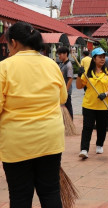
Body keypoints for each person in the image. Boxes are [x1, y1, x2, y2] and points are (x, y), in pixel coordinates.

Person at [0, 22, 67, 207]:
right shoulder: (52, 65)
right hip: (50, 139)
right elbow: (62, 97)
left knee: (20, 195)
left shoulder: (4, 68)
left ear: (13, 43)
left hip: (17, 142)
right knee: (51, 191)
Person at [76, 47, 108, 159]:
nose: (102, 59)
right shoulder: (87, 73)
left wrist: (105, 94)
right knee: (87, 127)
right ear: (94, 59)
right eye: (100, 57)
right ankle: (84, 149)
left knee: (101, 127)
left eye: (104, 57)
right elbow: (79, 86)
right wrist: (79, 75)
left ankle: (99, 144)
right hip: (89, 105)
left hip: (103, 106)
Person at [57, 46, 74, 119]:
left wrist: (66, 90)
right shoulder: (62, 64)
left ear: (65, 54)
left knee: (68, 107)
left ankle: (70, 122)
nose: (59, 56)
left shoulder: (68, 65)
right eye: (59, 54)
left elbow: (70, 79)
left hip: (66, 91)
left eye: (60, 54)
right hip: (62, 90)